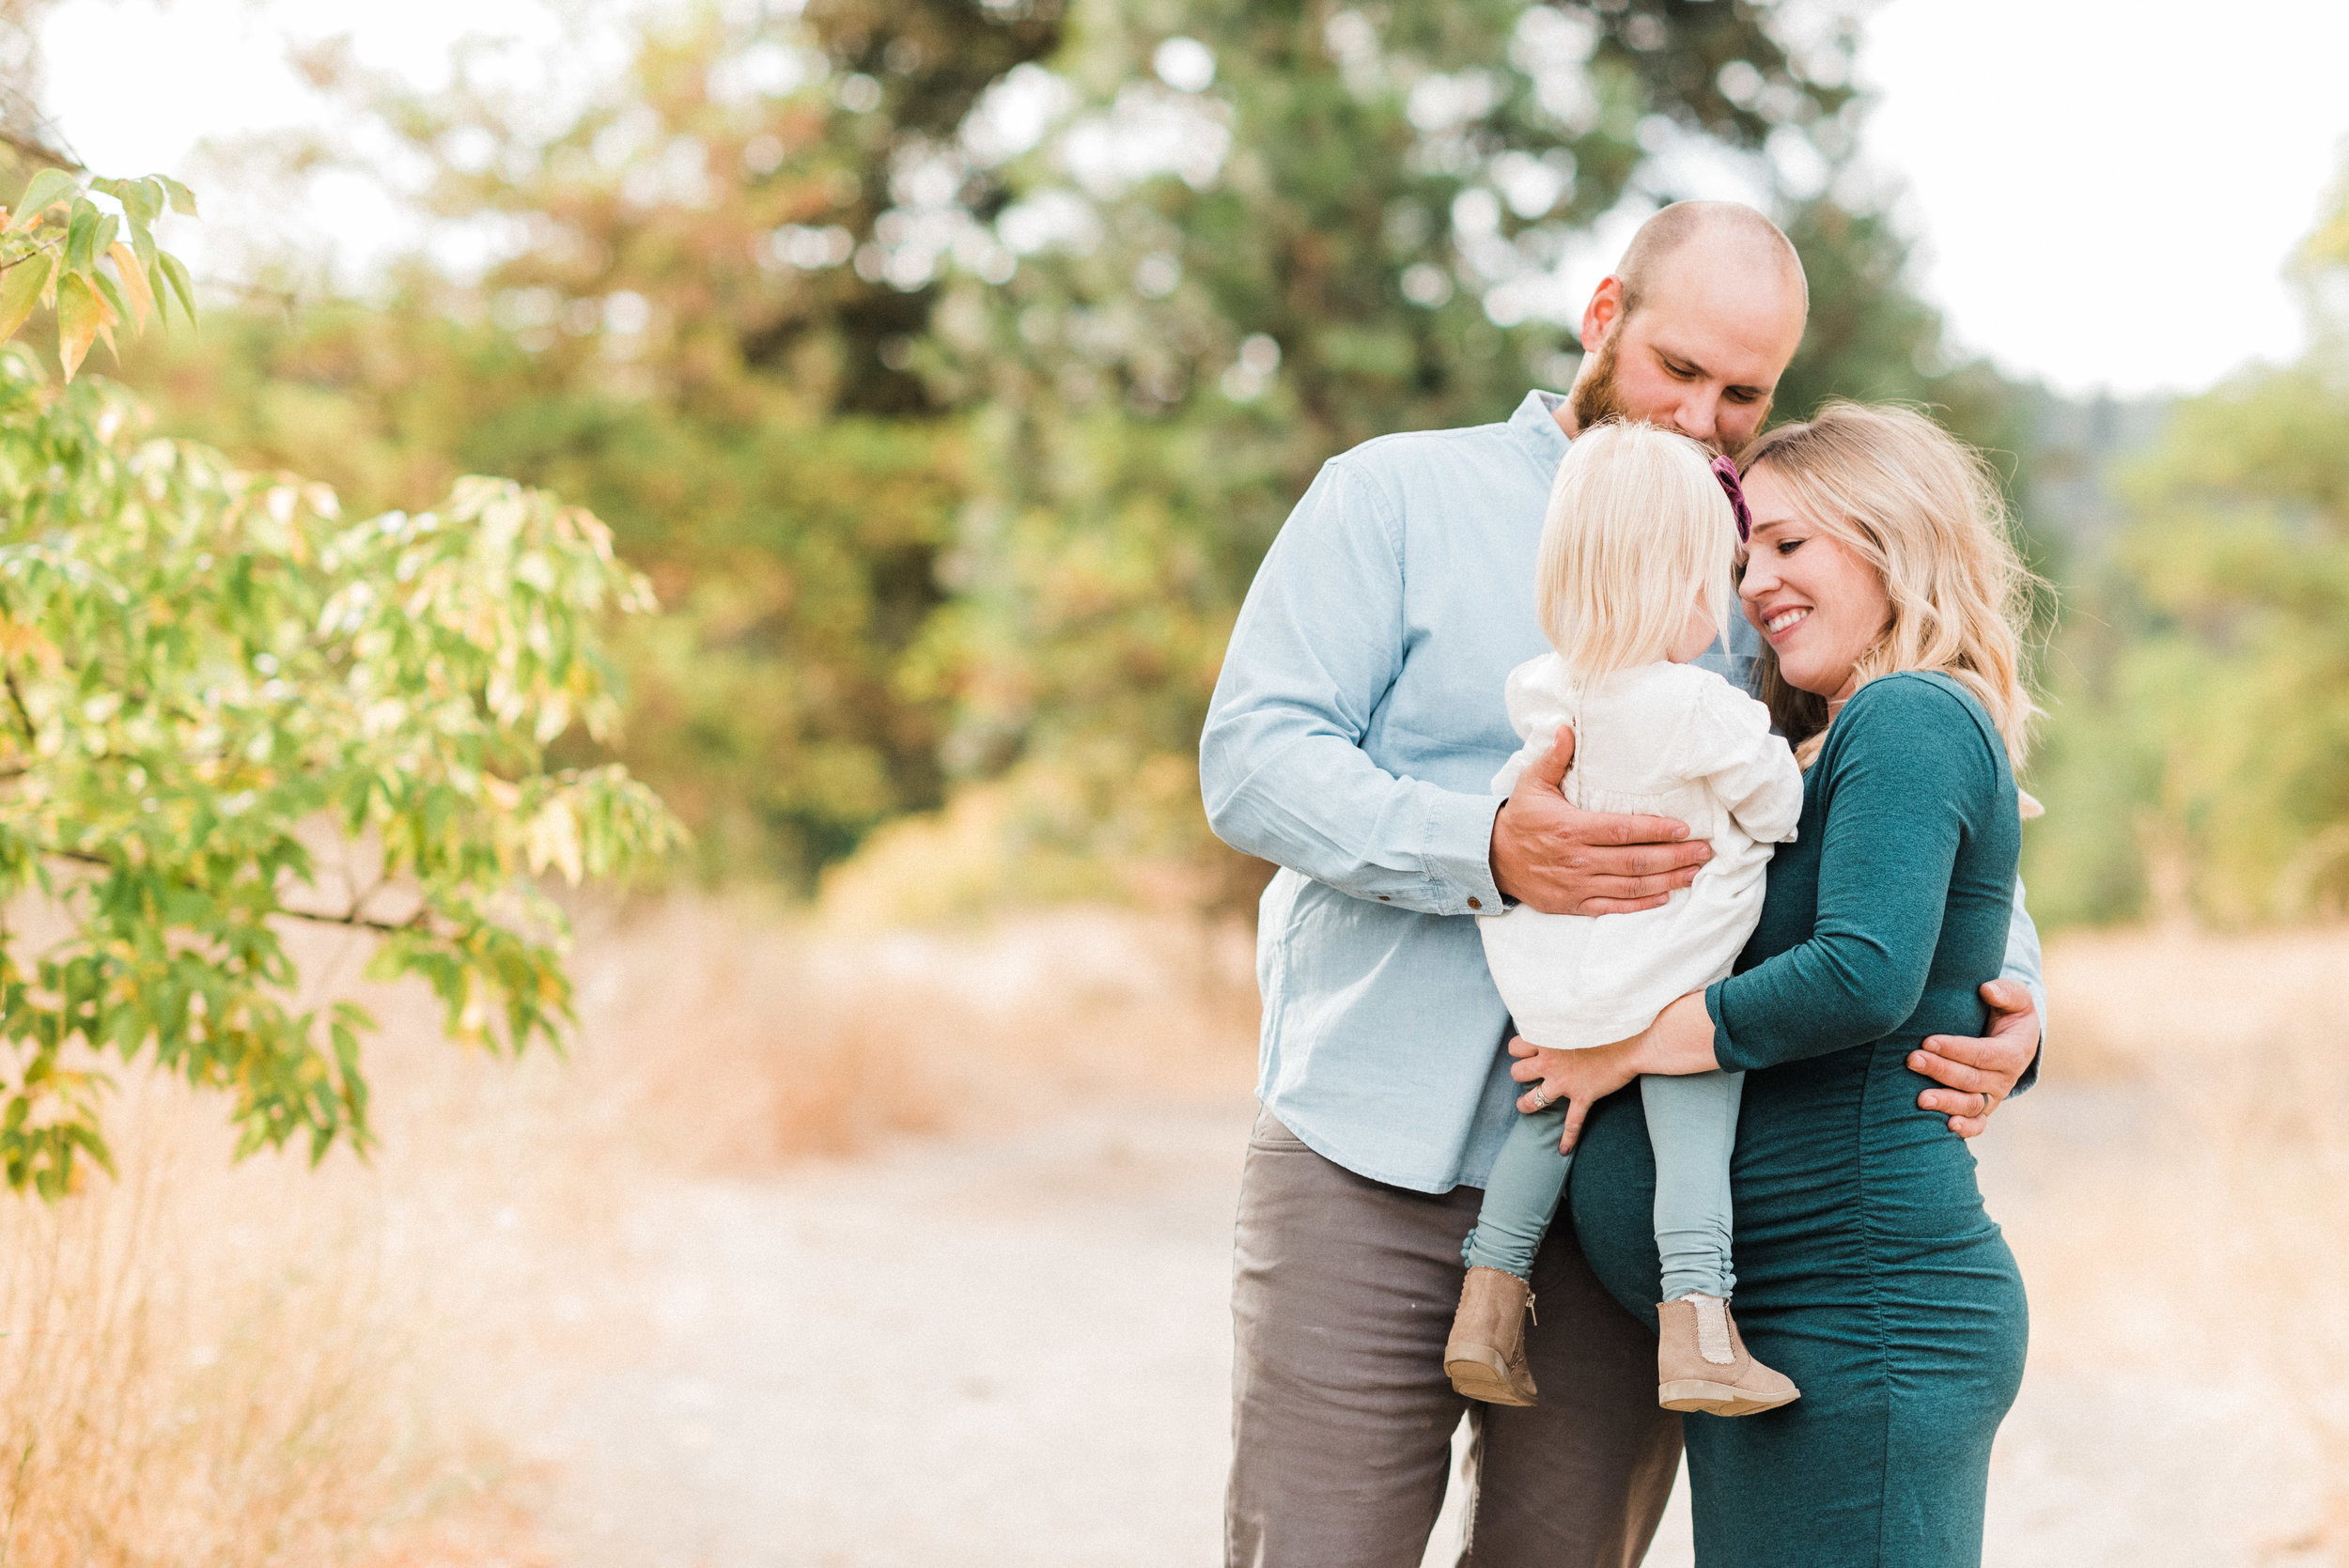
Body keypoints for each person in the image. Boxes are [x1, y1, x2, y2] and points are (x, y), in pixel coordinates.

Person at [1199, 201, 2047, 1568]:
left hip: (1638, 1202)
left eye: (1744, 393)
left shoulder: (1764, 568)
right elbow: (1251, 759)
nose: (1701, 416)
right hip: (1369, 1158)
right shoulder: (1396, 495)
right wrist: (1485, 847)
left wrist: (2019, 1004)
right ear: (1603, 319)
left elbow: (1886, 794)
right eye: (1679, 370)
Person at [1530, 404, 2039, 1565]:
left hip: (1865, 1320)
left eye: (1790, 545)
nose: (1755, 581)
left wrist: (1632, 1044)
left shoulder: (1909, 715)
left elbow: (1864, 974)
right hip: (1797, 1319)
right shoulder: (1830, 740)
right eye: (1743, 553)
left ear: (1893, 539)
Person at [1442, 422, 1802, 1419]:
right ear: (1686, 583)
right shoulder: (1700, 707)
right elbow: (1777, 809)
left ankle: (1485, 1306)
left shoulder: (1545, 687)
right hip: (1669, 977)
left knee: (1542, 1124)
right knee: (1694, 1136)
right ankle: (1699, 1331)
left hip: (1558, 979)